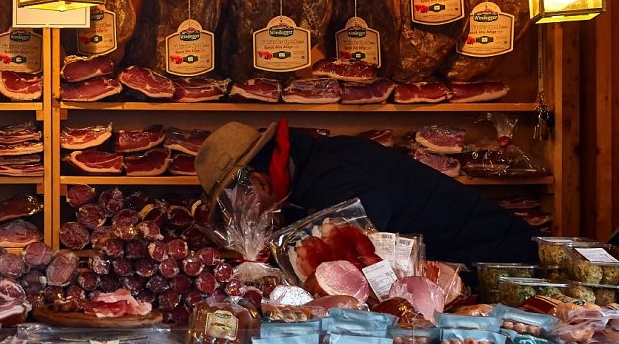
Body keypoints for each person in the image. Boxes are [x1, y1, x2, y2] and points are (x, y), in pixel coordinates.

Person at [194, 119, 539, 265]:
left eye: (235, 208)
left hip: (502, 264)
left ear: (259, 183)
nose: (241, 220)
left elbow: (355, 263)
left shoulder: (334, 178)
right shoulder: (311, 169)